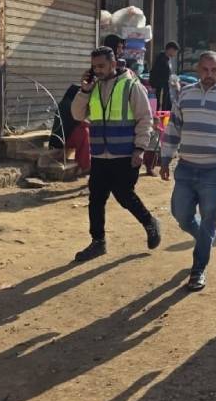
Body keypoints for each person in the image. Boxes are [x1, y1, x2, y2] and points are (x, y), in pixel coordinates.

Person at [160, 51, 216, 291]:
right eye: (205, 69)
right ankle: (204, 236)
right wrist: (165, 157)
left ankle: (198, 269)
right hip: (186, 167)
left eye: (214, 70)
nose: (209, 74)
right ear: (198, 70)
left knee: (209, 215)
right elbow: (173, 128)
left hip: (215, 169)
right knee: (180, 213)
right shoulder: (185, 95)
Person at [71, 46, 161, 262]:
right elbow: (77, 114)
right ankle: (98, 242)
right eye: (94, 67)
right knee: (96, 199)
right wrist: (84, 91)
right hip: (100, 154)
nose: (97, 70)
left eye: (101, 66)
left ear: (113, 63)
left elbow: (145, 119)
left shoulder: (131, 85)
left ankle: (149, 222)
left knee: (124, 195)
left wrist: (140, 148)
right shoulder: (92, 87)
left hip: (125, 153)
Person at [49, 84, 91, 173]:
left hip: (57, 140)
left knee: (86, 130)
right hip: (62, 140)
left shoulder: (64, 103)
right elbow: (81, 122)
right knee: (84, 132)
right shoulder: (71, 106)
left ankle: (86, 162)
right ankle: (84, 164)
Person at [149, 41, 180, 112]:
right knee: (161, 107)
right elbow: (155, 74)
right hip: (161, 87)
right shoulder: (161, 59)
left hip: (166, 87)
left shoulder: (167, 59)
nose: (175, 54)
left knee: (167, 106)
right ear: (171, 49)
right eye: (175, 51)